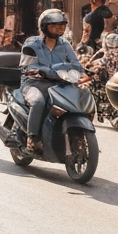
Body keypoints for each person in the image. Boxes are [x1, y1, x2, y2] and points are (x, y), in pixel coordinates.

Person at [19, 10, 84, 153]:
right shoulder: (32, 43)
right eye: (55, 25)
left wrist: (83, 72)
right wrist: (40, 70)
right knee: (38, 102)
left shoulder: (65, 44)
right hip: (34, 84)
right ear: (44, 26)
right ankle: (32, 138)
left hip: (59, 83)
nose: (60, 28)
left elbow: (75, 64)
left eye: (62, 25)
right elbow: (27, 66)